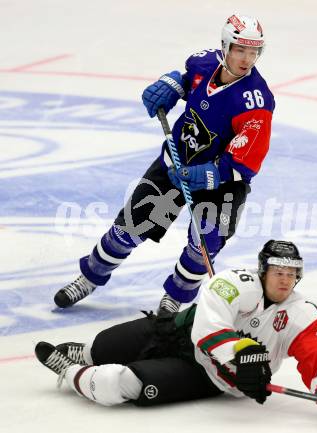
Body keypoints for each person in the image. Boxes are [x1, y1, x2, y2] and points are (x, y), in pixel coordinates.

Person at [54, 14, 275, 314]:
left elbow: (246, 162)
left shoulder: (256, 101)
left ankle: (175, 300)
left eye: (253, 51)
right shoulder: (203, 64)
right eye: (240, 49)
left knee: (204, 245)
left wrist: (211, 174)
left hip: (221, 182)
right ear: (225, 46)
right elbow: (188, 81)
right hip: (176, 165)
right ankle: (90, 277)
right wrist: (172, 84)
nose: (247, 59)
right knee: (129, 228)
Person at [37, 240, 317, 427]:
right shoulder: (234, 282)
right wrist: (241, 357)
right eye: (278, 272)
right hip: (176, 333)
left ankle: (69, 371)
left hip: (206, 375)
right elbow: (209, 330)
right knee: (102, 346)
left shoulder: (302, 313)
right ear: (263, 271)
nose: (285, 280)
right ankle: (83, 355)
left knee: (122, 383)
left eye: (292, 274)